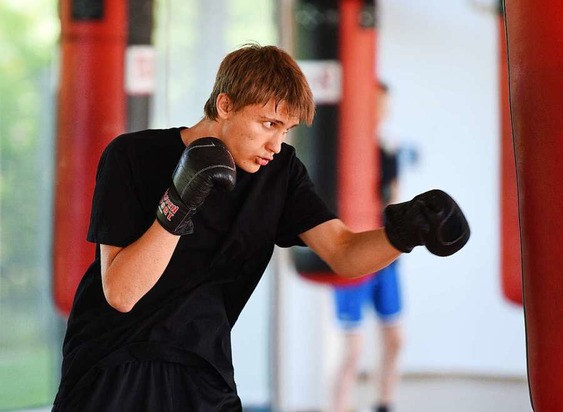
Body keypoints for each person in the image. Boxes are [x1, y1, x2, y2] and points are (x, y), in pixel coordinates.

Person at [52, 43, 470, 411]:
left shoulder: (280, 173)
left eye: (286, 130)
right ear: (225, 105)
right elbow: (122, 293)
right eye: (268, 124)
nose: (276, 144)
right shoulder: (133, 156)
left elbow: (342, 251)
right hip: (112, 364)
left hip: (203, 369)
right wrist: (178, 202)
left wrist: (405, 235)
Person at [331, 81, 403, 412]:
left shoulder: (387, 152)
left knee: (396, 339)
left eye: (384, 105)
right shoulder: (344, 150)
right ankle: (339, 407)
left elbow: (395, 198)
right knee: (353, 351)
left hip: (386, 255)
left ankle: (384, 404)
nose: (381, 112)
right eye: (376, 104)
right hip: (353, 253)